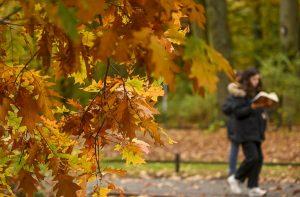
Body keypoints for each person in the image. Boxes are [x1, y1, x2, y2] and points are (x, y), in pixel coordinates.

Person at [222, 68, 269, 196]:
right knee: (252, 157)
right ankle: (236, 178)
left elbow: (259, 113)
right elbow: (237, 113)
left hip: (257, 131)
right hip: (244, 132)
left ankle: (253, 187)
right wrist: (251, 107)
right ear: (248, 79)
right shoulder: (240, 94)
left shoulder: (257, 93)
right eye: (254, 79)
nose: (256, 81)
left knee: (259, 159)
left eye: (257, 79)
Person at [223, 71, 245, 176]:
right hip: (235, 126)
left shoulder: (247, 93)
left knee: (249, 152)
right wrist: (236, 106)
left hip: (246, 126)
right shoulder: (232, 95)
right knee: (234, 149)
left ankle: (244, 172)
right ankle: (232, 171)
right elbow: (225, 109)